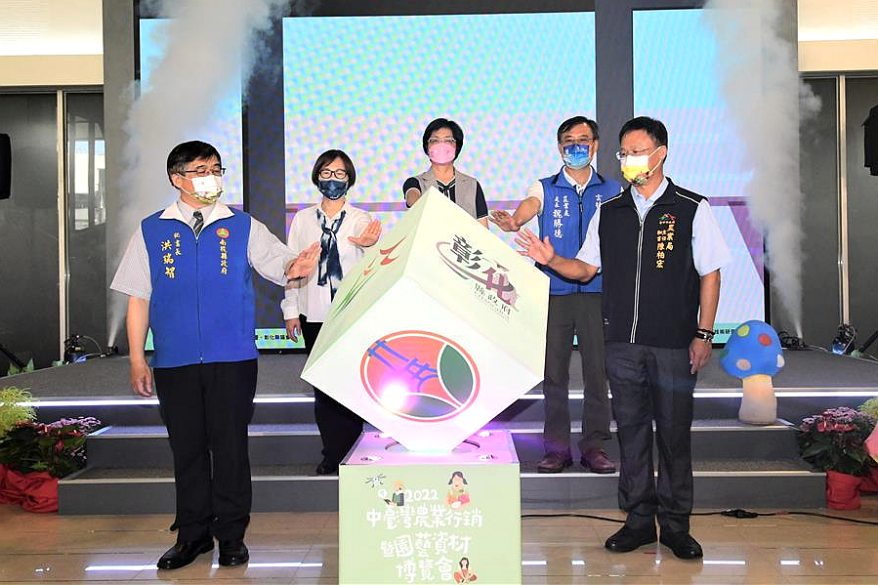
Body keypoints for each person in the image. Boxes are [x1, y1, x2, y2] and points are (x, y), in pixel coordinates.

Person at [516, 117, 731, 560]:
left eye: (638, 152)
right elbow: (585, 269)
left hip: (674, 343)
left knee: (673, 435)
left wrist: (704, 333)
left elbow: (710, 273)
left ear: (660, 153)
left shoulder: (691, 206)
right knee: (631, 433)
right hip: (622, 344)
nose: (630, 160)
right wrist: (552, 259)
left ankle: (676, 526)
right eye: (625, 153)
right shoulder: (610, 210)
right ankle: (638, 521)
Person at [110, 140, 319, 570]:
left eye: (217, 169)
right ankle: (192, 535)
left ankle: (232, 536)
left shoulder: (241, 225)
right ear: (177, 178)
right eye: (201, 170)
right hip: (175, 359)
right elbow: (138, 298)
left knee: (230, 447)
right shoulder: (151, 230)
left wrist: (297, 267)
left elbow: (280, 264)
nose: (211, 178)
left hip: (232, 358)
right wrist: (136, 358)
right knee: (186, 449)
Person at [491, 116, 620, 474]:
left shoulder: (612, 190)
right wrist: (515, 222)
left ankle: (594, 445)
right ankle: (556, 449)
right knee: (554, 374)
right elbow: (530, 205)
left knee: (597, 373)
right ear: (559, 147)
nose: (576, 146)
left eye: (583, 140)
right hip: (553, 292)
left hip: (597, 292)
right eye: (568, 141)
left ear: (595, 145)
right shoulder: (545, 187)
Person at [282, 149, 381, 476]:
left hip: (351, 314)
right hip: (314, 313)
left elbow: (374, 255)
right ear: (316, 178)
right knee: (323, 388)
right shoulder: (302, 219)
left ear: (349, 179)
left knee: (351, 385)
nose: (333, 180)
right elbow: (293, 266)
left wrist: (369, 243)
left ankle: (353, 452)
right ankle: (332, 454)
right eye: (326, 173)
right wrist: (290, 309)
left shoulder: (360, 219)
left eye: (339, 174)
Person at [403, 118, 489, 227]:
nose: (441, 146)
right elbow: (413, 200)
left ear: (457, 146)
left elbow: (483, 229)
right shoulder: (415, 182)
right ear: (427, 146)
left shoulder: (472, 185)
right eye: (435, 141)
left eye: (448, 141)